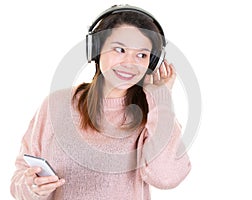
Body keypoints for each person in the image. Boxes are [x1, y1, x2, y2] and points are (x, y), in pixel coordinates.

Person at [10, 5, 191, 200]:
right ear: (96, 49)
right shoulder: (57, 104)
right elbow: (20, 177)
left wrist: (161, 99)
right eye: (120, 49)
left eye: (142, 55)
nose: (129, 63)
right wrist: (32, 187)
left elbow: (166, 178)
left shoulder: (153, 114)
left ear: (151, 62)